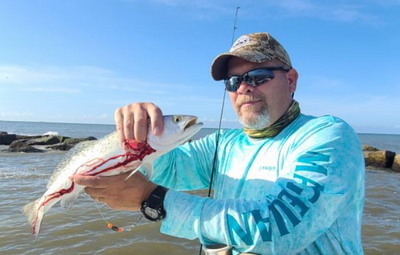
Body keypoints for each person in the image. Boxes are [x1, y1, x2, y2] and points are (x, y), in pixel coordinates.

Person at [74, 32, 365, 254]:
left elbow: (277, 229)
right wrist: (142, 140)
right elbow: (167, 168)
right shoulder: (223, 144)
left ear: (291, 81)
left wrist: (153, 200)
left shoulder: (328, 136)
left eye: (259, 76)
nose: (244, 87)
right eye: (233, 81)